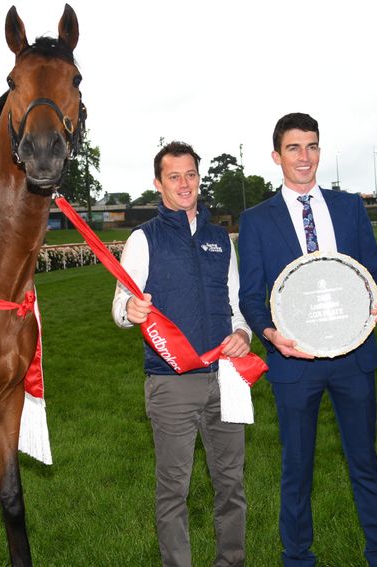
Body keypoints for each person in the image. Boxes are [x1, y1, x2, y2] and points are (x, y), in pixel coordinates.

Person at [237, 112, 377, 566]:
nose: (304, 157)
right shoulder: (256, 221)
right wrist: (271, 335)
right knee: (296, 470)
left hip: (353, 357)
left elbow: (374, 274)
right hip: (292, 363)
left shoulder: (350, 207)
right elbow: (251, 295)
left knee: (365, 463)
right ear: (277, 156)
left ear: (320, 152)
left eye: (311, 146)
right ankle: (297, 557)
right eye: (294, 147)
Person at [112, 141, 252, 567]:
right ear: (159, 183)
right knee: (175, 489)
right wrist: (130, 311)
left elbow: (235, 301)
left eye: (190, 174)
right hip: (171, 382)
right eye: (174, 176)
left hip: (226, 377)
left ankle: (231, 561)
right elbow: (120, 306)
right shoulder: (143, 238)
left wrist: (244, 332)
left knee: (231, 484)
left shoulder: (219, 239)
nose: (184, 183)